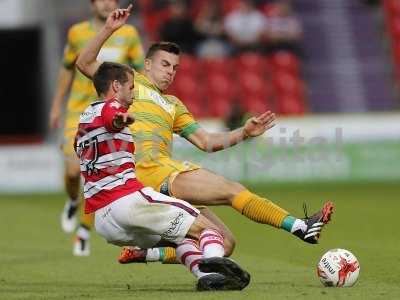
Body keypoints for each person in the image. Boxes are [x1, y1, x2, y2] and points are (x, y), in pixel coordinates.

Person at [76, 4, 334, 265]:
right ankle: (300, 226)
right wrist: (108, 29)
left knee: (225, 243)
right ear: (147, 64)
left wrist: (244, 132)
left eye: (175, 67)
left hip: (158, 179)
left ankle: (149, 253)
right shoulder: (132, 83)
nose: (170, 71)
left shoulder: (174, 105)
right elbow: (84, 62)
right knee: (232, 190)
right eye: (165, 64)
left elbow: (206, 141)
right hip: (149, 171)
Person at [74, 8, 250, 291]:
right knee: (209, 229)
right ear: (116, 86)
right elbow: (113, 113)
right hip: (126, 203)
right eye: (131, 88)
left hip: (103, 220)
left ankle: (206, 278)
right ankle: (215, 262)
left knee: (181, 238)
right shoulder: (113, 108)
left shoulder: (85, 118)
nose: (134, 94)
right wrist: (123, 118)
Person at [48, 0, 144, 256]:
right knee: (71, 172)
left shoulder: (130, 34)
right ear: (92, 4)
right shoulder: (77, 33)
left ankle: (84, 229)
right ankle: (72, 200)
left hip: (111, 116)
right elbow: (67, 70)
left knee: (106, 175)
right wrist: (56, 106)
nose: (107, 3)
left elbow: (138, 74)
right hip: (79, 113)